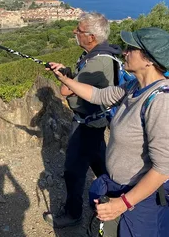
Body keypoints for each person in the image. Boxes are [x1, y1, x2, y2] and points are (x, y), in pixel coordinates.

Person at [50, 27, 169, 237]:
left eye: (131, 48)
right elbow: (100, 95)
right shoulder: (134, 86)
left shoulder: (163, 102)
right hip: (122, 191)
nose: (125, 52)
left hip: (140, 202)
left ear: (149, 59)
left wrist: (122, 204)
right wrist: (66, 80)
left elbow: (163, 168)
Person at [44, 12, 122, 228]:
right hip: (96, 122)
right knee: (101, 164)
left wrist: (63, 77)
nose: (74, 32)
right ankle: (119, 199)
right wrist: (68, 73)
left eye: (78, 30)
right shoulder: (104, 54)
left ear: (91, 37)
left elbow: (65, 90)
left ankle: (72, 213)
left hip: (87, 124)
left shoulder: (96, 63)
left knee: (73, 170)